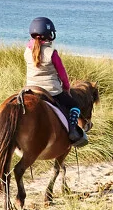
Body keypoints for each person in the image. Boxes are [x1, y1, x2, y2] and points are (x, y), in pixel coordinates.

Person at [23, 16, 87, 146]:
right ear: (49, 34)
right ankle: (73, 130)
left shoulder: (27, 50)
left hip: (30, 88)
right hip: (51, 90)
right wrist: (66, 88)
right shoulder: (52, 53)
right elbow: (62, 74)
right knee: (74, 106)